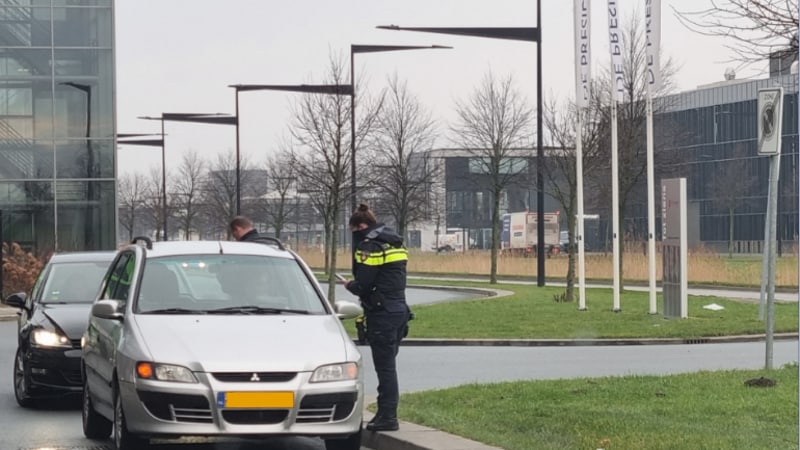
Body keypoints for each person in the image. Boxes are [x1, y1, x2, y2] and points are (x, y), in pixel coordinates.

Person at [343, 204, 410, 432]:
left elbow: (364, 284)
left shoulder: (370, 246)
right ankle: (384, 413)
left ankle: (388, 417)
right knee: (388, 365)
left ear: (360, 226)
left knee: (385, 369)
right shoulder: (394, 242)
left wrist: (350, 285)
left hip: (382, 314)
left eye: (354, 231)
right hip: (399, 311)